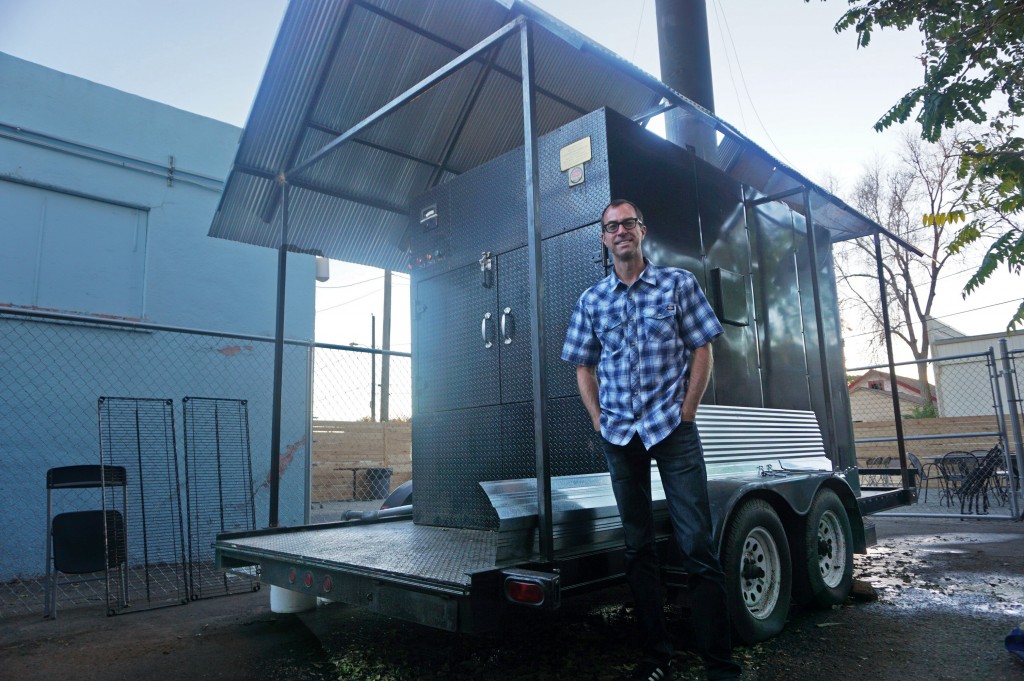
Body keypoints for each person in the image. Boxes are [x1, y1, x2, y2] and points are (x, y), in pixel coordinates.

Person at [561, 199, 741, 681]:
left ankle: (719, 666)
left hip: (672, 428)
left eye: (628, 224)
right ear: (603, 239)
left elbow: (702, 346)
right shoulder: (591, 301)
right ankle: (655, 658)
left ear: (642, 231)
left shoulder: (679, 284)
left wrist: (689, 409)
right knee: (638, 549)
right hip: (620, 434)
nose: (620, 231)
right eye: (611, 226)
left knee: (696, 544)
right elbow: (583, 364)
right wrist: (598, 419)